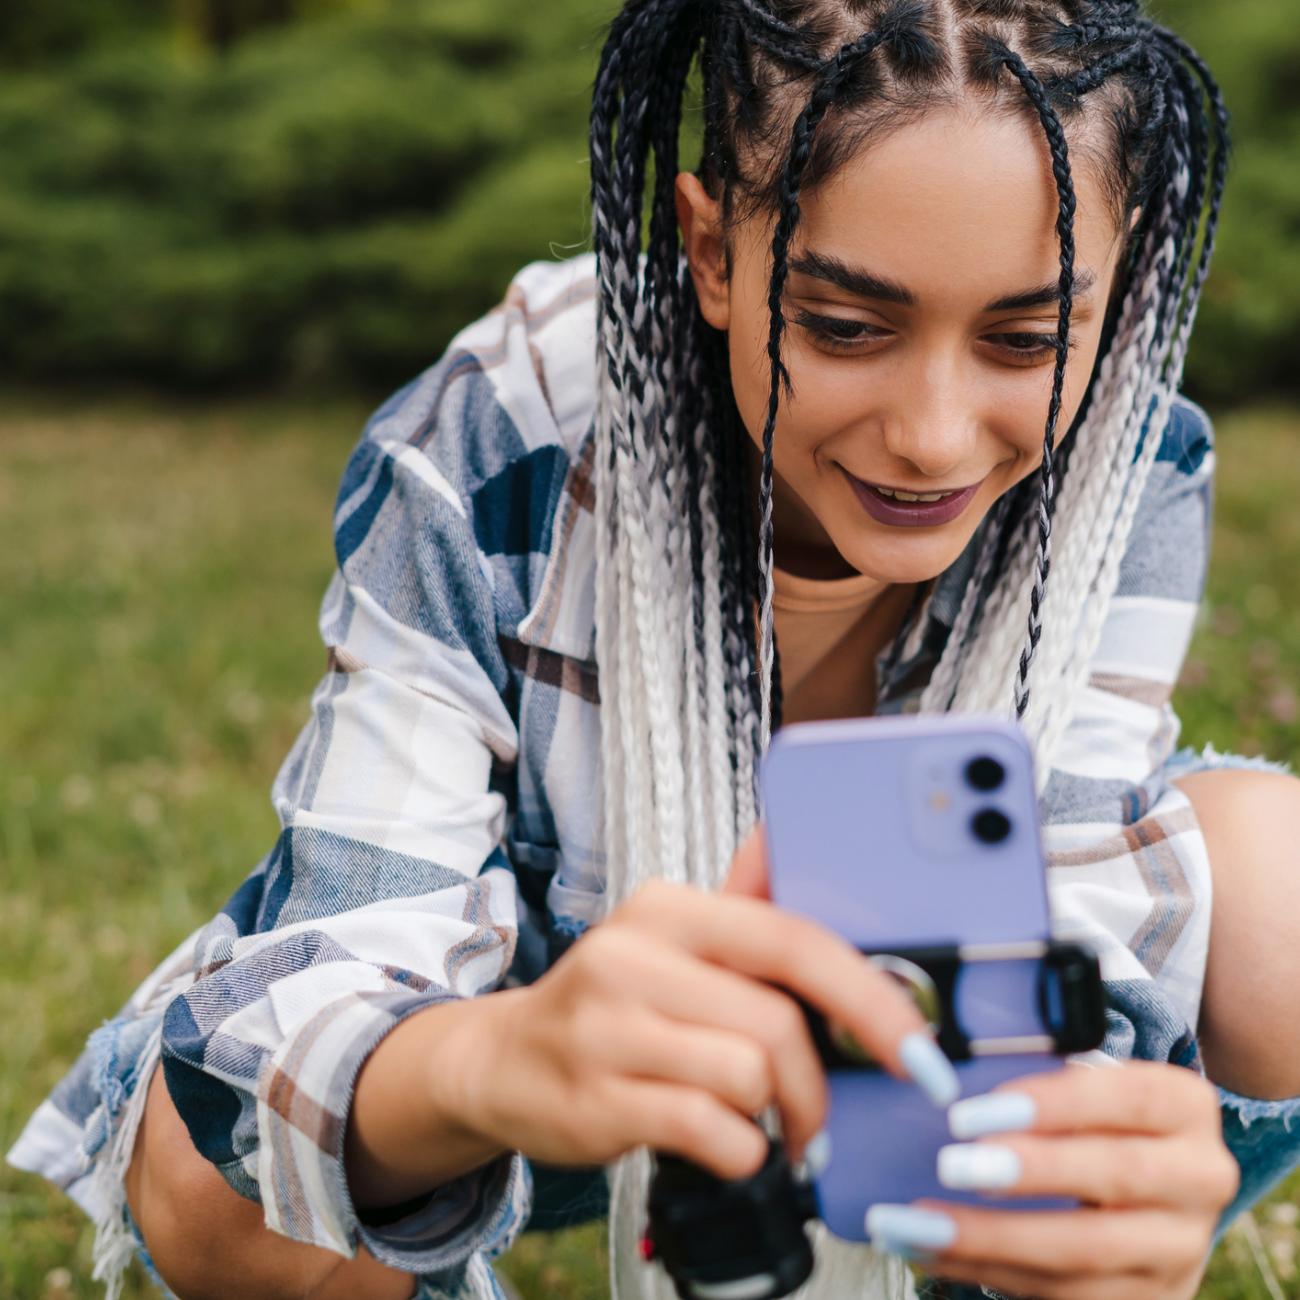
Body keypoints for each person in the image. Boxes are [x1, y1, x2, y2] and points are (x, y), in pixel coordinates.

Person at [10, 1, 1300, 1298]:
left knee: (1282, 898)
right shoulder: (505, 423)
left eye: (1026, 339)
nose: (935, 435)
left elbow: (1080, 910)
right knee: (217, 1184)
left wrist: (1092, 1164)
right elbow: (354, 931)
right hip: (542, 1004)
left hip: (920, 1037)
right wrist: (498, 1059)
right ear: (710, 250)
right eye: (848, 327)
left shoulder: (1129, 464)